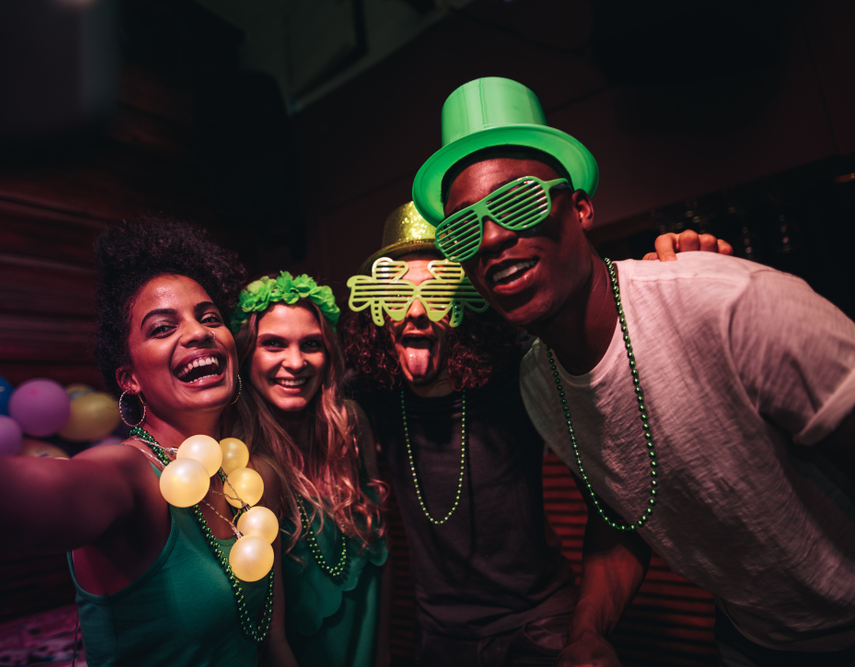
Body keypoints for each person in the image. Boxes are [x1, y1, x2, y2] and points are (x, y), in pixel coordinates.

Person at [411, 76, 855, 666]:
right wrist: (589, 632)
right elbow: (622, 513)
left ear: (582, 208)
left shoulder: (727, 305)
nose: (491, 238)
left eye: (517, 203)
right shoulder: (537, 384)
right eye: (463, 229)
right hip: (752, 643)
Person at [0, 217, 291, 666]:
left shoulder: (255, 479)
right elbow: (9, 494)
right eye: (162, 328)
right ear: (130, 378)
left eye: (210, 317)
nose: (199, 332)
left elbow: (274, 644)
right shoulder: (125, 478)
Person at [341, 203, 719, 667]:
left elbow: (617, 511)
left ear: (467, 304)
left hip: (539, 627)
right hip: (440, 639)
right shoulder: (374, 396)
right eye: (395, 294)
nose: (416, 312)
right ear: (375, 308)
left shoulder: (522, 380)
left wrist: (674, 280)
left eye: (438, 291)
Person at [230, 272, 389, 667]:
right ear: (247, 353)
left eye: (312, 345)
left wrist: (385, 655)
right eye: (274, 344)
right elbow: (265, 633)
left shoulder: (351, 426)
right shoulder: (245, 465)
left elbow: (384, 559)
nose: (296, 362)